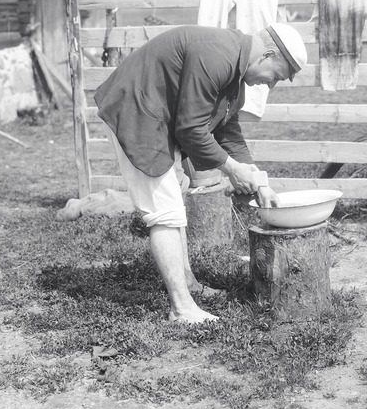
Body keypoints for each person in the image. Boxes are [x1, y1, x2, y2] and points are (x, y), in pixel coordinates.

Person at [94, 23, 308, 324]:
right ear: (267, 56)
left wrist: (256, 178)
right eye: (276, 77)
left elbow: (228, 133)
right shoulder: (217, 54)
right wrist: (231, 169)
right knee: (164, 212)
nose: (269, 86)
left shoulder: (235, 73)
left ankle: (190, 286)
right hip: (136, 109)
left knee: (173, 202)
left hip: (156, 114)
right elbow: (191, 129)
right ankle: (181, 308)